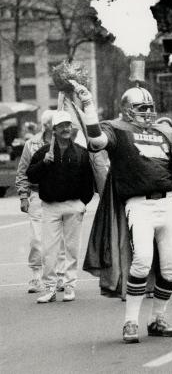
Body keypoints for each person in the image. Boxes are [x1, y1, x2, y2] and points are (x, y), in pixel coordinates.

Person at [73, 82, 172, 344]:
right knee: (141, 260)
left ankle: (158, 319)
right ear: (127, 110)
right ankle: (130, 321)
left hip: (166, 204)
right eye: (142, 108)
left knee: (171, 267)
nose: (148, 113)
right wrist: (88, 107)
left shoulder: (164, 132)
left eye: (150, 108)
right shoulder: (117, 129)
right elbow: (96, 141)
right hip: (138, 204)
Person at [26, 110, 94, 303]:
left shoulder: (81, 152)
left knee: (72, 249)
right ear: (54, 130)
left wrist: (83, 203)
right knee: (49, 250)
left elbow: (88, 181)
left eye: (68, 125)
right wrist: (44, 164)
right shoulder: (43, 152)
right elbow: (31, 175)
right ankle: (50, 288)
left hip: (74, 206)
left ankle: (70, 285)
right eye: (62, 126)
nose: (66, 129)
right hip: (49, 206)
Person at [15, 110, 66, 294]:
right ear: (46, 126)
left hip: (59, 196)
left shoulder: (65, 143)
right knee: (37, 239)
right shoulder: (31, 144)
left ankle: (60, 276)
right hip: (37, 195)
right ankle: (36, 276)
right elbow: (22, 172)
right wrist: (23, 196)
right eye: (53, 125)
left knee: (59, 239)